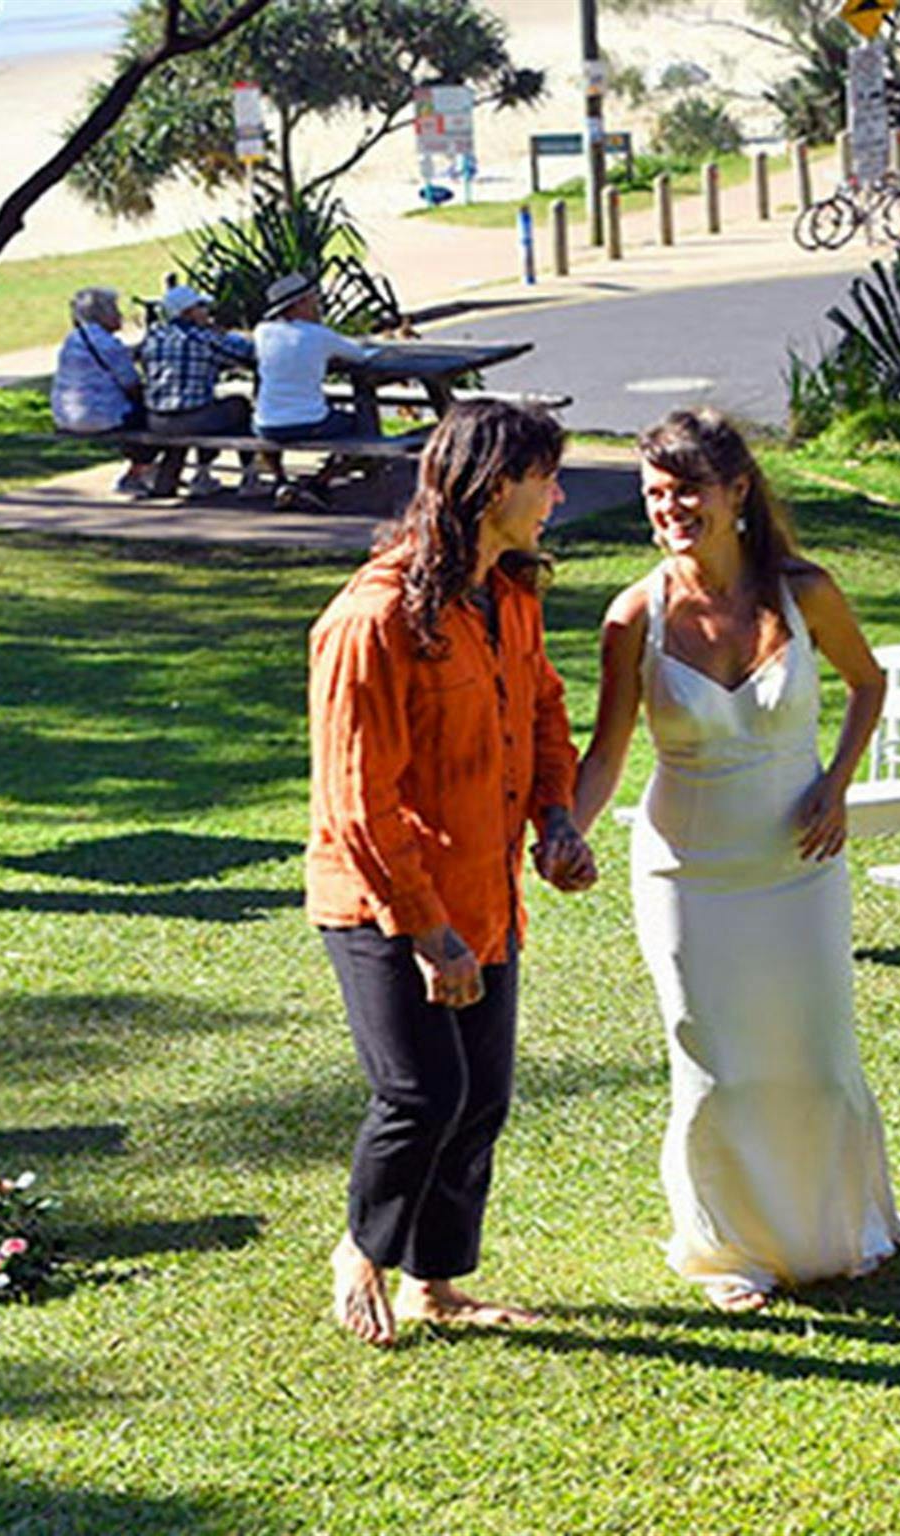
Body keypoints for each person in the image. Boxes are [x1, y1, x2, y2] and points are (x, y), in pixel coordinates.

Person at [570, 407, 900, 1314]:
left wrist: (837, 783)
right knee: (714, 1057)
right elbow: (606, 755)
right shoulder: (633, 616)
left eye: (686, 490)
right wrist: (563, 829)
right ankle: (727, 1249)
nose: (669, 509)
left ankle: (839, 1228)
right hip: (687, 872)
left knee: (812, 1048)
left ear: (736, 490)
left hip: (798, 863)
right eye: (654, 493)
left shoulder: (805, 591)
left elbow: (868, 684)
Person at [307, 400, 596, 1348]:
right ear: (493, 484)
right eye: (544, 477)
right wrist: (428, 932)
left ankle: (436, 1283)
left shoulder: (508, 594)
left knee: (483, 1097)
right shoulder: (373, 618)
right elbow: (359, 804)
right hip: (384, 901)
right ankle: (362, 1251)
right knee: (423, 1092)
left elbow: (545, 709)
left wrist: (554, 816)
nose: (556, 494)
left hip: (486, 891)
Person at [252, 272, 377, 513]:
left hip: (266, 424)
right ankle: (319, 483)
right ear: (297, 305)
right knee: (362, 428)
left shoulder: (263, 332)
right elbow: (359, 356)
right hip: (310, 421)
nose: (317, 306)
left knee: (267, 425)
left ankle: (281, 481)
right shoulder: (319, 335)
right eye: (312, 300)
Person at [137, 284, 258, 500]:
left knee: (194, 409)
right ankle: (249, 476)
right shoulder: (203, 338)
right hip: (193, 418)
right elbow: (248, 353)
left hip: (156, 418)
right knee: (239, 405)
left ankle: (183, 479)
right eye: (201, 306)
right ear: (188, 312)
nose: (207, 311)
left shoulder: (155, 336)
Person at [50, 287, 159, 496]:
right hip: (98, 416)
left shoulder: (74, 339)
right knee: (161, 420)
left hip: (65, 415)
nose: (120, 316)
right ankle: (137, 473)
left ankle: (147, 470)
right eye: (115, 310)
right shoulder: (108, 343)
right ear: (102, 315)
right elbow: (131, 385)